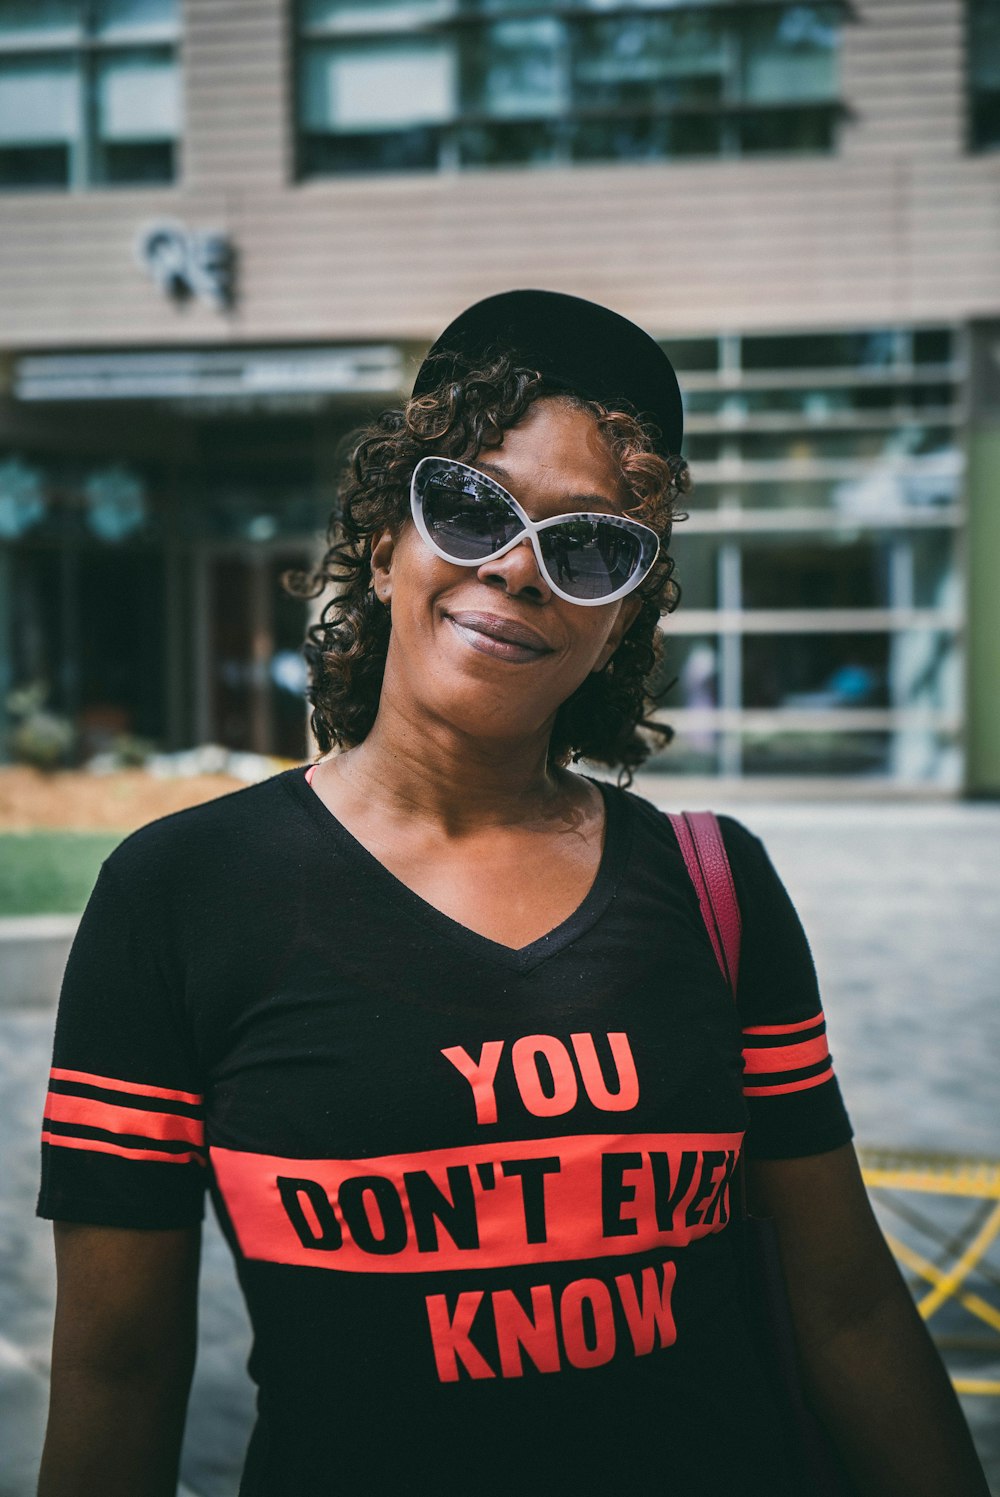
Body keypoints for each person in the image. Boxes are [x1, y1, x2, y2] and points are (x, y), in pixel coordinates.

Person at [36, 291, 988, 1497]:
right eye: (471, 506)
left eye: (588, 545)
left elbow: (847, 1309)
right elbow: (118, 1377)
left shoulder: (712, 887)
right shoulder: (176, 899)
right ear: (384, 539)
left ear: (622, 613)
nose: (520, 570)